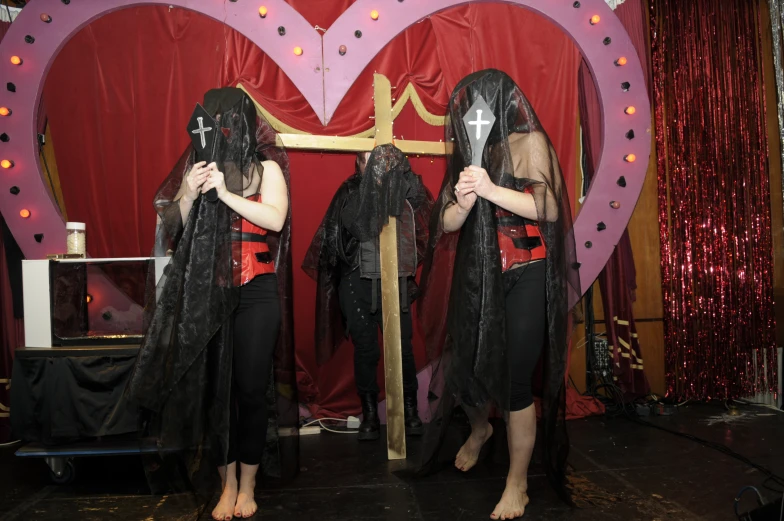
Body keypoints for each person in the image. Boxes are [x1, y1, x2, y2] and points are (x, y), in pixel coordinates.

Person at [125, 88, 298, 521]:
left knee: (250, 392)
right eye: (215, 120)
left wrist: (223, 193)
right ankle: (226, 485)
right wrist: (188, 192)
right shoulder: (197, 167)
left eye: (230, 121)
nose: (223, 129)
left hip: (256, 291)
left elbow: (275, 219)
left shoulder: (267, 168)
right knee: (216, 395)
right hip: (209, 290)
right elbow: (173, 227)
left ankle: (249, 485)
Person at [417, 70, 580, 520]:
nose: (472, 113)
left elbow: (548, 208)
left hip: (527, 273)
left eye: (479, 103)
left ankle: (517, 482)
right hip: (480, 278)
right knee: (465, 366)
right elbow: (446, 223)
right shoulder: (472, 152)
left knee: (512, 381)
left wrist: (492, 189)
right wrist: (465, 202)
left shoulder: (531, 145)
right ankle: (480, 430)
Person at [303, 145, 432, 440]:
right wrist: (375, 192)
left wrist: (400, 176)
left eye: (383, 161)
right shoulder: (350, 193)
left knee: (403, 348)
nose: (376, 165)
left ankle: (409, 411)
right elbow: (357, 226)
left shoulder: (404, 190)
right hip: (357, 282)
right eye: (369, 161)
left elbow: (422, 205)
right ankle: (370, 415)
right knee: (366, 350)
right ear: (359, 165)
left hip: (394, 280)